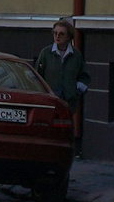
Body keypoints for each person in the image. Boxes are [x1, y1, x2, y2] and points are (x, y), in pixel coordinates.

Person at [31, 17, 89, 158]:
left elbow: (83, 75)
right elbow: (37, 75)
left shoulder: (75, 55)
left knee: (66, 131)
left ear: (69, 36)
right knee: (49, 129)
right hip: (50, 100)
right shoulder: (46, 53)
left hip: (69, 100)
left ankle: (64, 158)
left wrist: (77, 89)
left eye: (61, 34)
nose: (57, 36)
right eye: (55, 33)